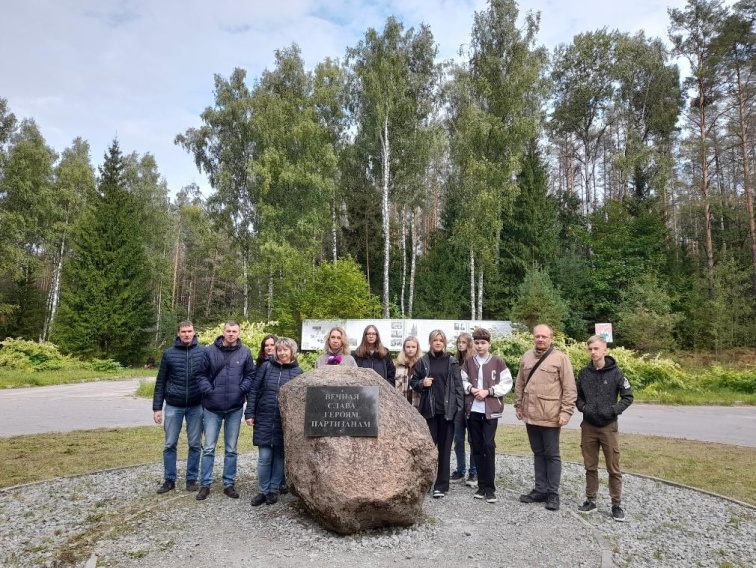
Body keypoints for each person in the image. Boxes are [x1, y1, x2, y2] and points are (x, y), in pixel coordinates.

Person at [515, 324, 576, 511]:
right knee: (538, 453)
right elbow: (520, 383)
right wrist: (518, 405)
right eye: (537, 336)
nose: (540, 339)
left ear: (551, 338)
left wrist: (566, 412)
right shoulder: (526, 357)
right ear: (533, 337)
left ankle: (552, 493)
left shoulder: (560, 358)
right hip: (531, 416)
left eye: (544, 336)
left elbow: (570, 388)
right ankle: (540, 490)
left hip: (551, 417)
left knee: (552, 455)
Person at [195, 321, 255, 501]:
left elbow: (250, 375)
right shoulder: (209, 351)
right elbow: (200, 375)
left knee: (231, 449)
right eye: (228, 331)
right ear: (223, 332)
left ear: (238, 332)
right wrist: (209, 391)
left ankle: (229, 483)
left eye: (234, 331)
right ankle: (205, 484)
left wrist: (240, 389)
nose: (231, 334)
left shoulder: (245, 352)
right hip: (212, 407)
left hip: (234, 407)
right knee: (209, 448)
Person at [576, 335, 634, 522]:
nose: (593, 352)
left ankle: (616, 504)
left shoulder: (617, 373)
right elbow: (578, 396)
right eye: (590, 349)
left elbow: (628, 396)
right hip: (588, 426)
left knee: (613, 467)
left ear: (605, 350)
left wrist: (613, 410)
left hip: (608, 427)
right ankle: (590, 500)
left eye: (596, 349)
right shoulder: (584, 373)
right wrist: (583, 408)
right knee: (590, 466)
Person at [246, 337, 303, 507]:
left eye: (286, 349)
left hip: (283, 422)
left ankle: (273, 489)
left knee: (279, 457)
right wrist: (250, 412)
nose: (282, 353)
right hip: (264, 417)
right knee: (264, 457)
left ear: (292, 351)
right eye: (279, 350)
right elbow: (254, 390)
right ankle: (262, 491)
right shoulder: (266, 367)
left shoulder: (298, 373)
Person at [152, 320, 206, 494]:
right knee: (169, 444)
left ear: (194, 332)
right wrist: (157, 408)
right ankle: (169, 480)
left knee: (195, 444)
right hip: (173, 406)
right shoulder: (169, 354)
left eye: (189, 331)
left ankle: (191, 479)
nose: (186, 334)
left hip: (196, 406)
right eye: (183, 331)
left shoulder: (203, 352)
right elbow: (160, 382)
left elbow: (209, 378)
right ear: (178, 333)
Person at [460, 328, 512, 503]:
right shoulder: (468, 362)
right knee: (476, 445)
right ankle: (481, 486)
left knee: (488, 445)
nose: (480, 345)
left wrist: (488, 391)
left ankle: (490, 488)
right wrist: (472, 389)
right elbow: (462, 380)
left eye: (483, 342)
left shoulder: (498, 362)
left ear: (489, 344)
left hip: (491, 411)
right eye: (477, 342)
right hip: (473, 409)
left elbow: (506, 383)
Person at [410, 329, 464, 499]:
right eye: (435, 340)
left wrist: (459, 412)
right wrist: (421, 382)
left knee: (445, 450)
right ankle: (425, 483)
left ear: (444, 342)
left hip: (447, 413)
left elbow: (458, 388)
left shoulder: (452, 361)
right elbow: (413, 382)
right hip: (430, 412)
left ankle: (441, 485)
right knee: (427, 450)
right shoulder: (423, 361)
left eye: (441, 340)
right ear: (430, 342)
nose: (438, 343)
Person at [451, 332, 477, 487]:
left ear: (469, 343)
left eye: (463, 342)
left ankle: (473, 472)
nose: (461, 345)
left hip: (472, 404)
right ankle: (460, 469)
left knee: (473, 440)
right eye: (459, 342)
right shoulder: (455, 360)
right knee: (458, 439)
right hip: (457, 405)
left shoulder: (474, 362)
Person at [395, 336, 422, 408]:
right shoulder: (398, 365)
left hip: (418, 404)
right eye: (408, 347)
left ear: (417, 349)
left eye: (413, 347)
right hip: (401, 405)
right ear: (404, 348)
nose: (410, 349)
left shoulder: (422, 365)